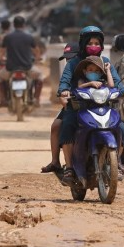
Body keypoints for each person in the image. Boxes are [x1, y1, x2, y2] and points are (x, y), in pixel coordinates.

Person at [55, 25, 124, 184]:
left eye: (97, 43)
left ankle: (117, 162)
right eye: (90, 43)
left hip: (102, 105)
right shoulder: (73, 63)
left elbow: (116, 82)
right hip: (78, 106)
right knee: (68, 124)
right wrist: (64, 91)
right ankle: (69, 168)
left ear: (101, 45)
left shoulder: (105, 62)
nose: (93, 46)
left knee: (120, 126)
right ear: (83, 44)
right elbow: (65, 81)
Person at [41, 43, 77, 174]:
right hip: (73, 105)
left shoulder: (91, 67)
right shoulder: (68, 70)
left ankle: (117, 163)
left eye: (71, 57)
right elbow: (63, 86)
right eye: (67, 58)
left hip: (92, 105)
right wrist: (62, 95)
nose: (68, 60)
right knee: (56, 126)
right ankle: (55, 162)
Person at [0, 15, 45, 106]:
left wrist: (0, 58)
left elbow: (2, 51)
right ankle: (36, 98)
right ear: (24, 25)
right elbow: (36, 50)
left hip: (10, 68)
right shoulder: (29, 37)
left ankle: (3, 100)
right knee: (40, 77)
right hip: (27, 67)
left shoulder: (7, 37)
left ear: (13, 25)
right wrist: (38, 58)